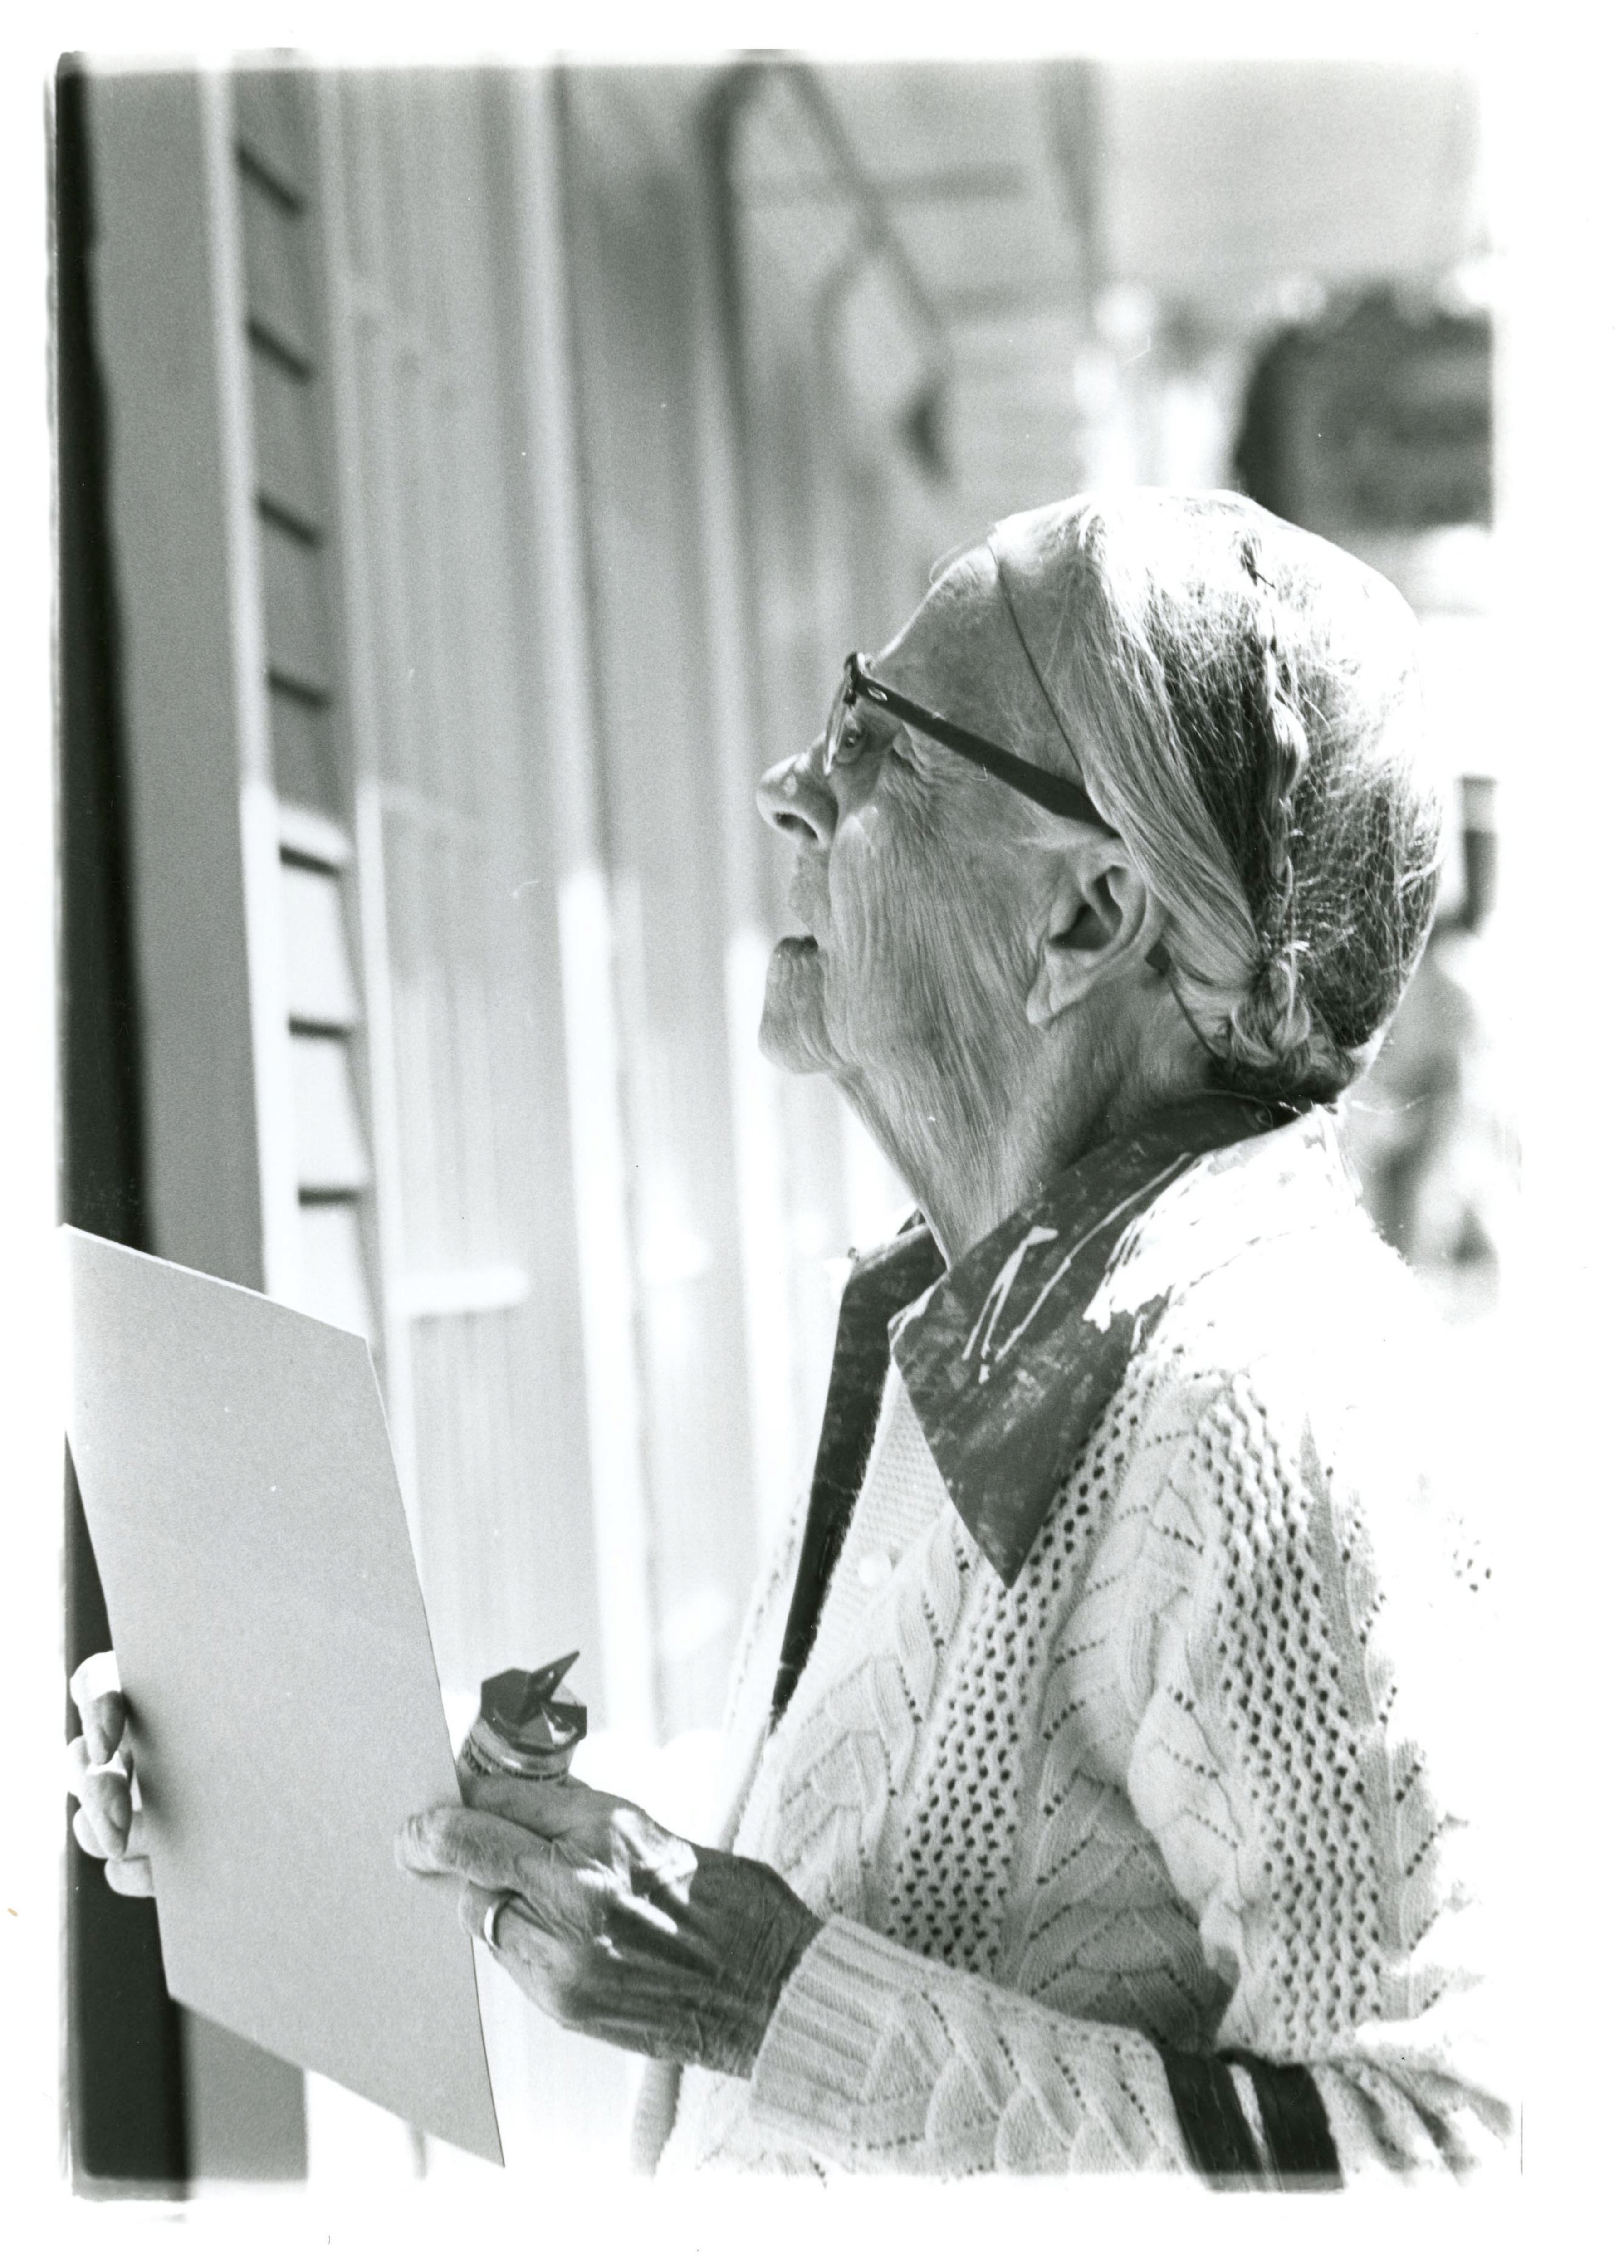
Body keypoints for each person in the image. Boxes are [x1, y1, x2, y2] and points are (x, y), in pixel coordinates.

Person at [70, 489, 1509, 2182]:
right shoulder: (984, 1309)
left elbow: (1450, 2160)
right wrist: (348, 1772)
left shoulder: (1261, 1406)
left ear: (1086, 918)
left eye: (875, 737)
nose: (790, 786)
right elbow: (918, 1885)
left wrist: (765, 2000)